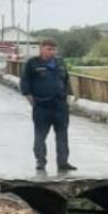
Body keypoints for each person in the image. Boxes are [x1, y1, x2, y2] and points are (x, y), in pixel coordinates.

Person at [20, 39, 76, 172]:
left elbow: (66, 80)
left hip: (60, 105)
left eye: (54, 49)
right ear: (41, 49)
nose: (51, 52)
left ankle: (63, 162)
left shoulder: (60, 62)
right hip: (42, 106)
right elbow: (25, 81)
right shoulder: (32, 63)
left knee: (62, 134)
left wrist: (69, 96)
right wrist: (29, 97)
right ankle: (40, 161)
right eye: (48, 49)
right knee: (40, 135)